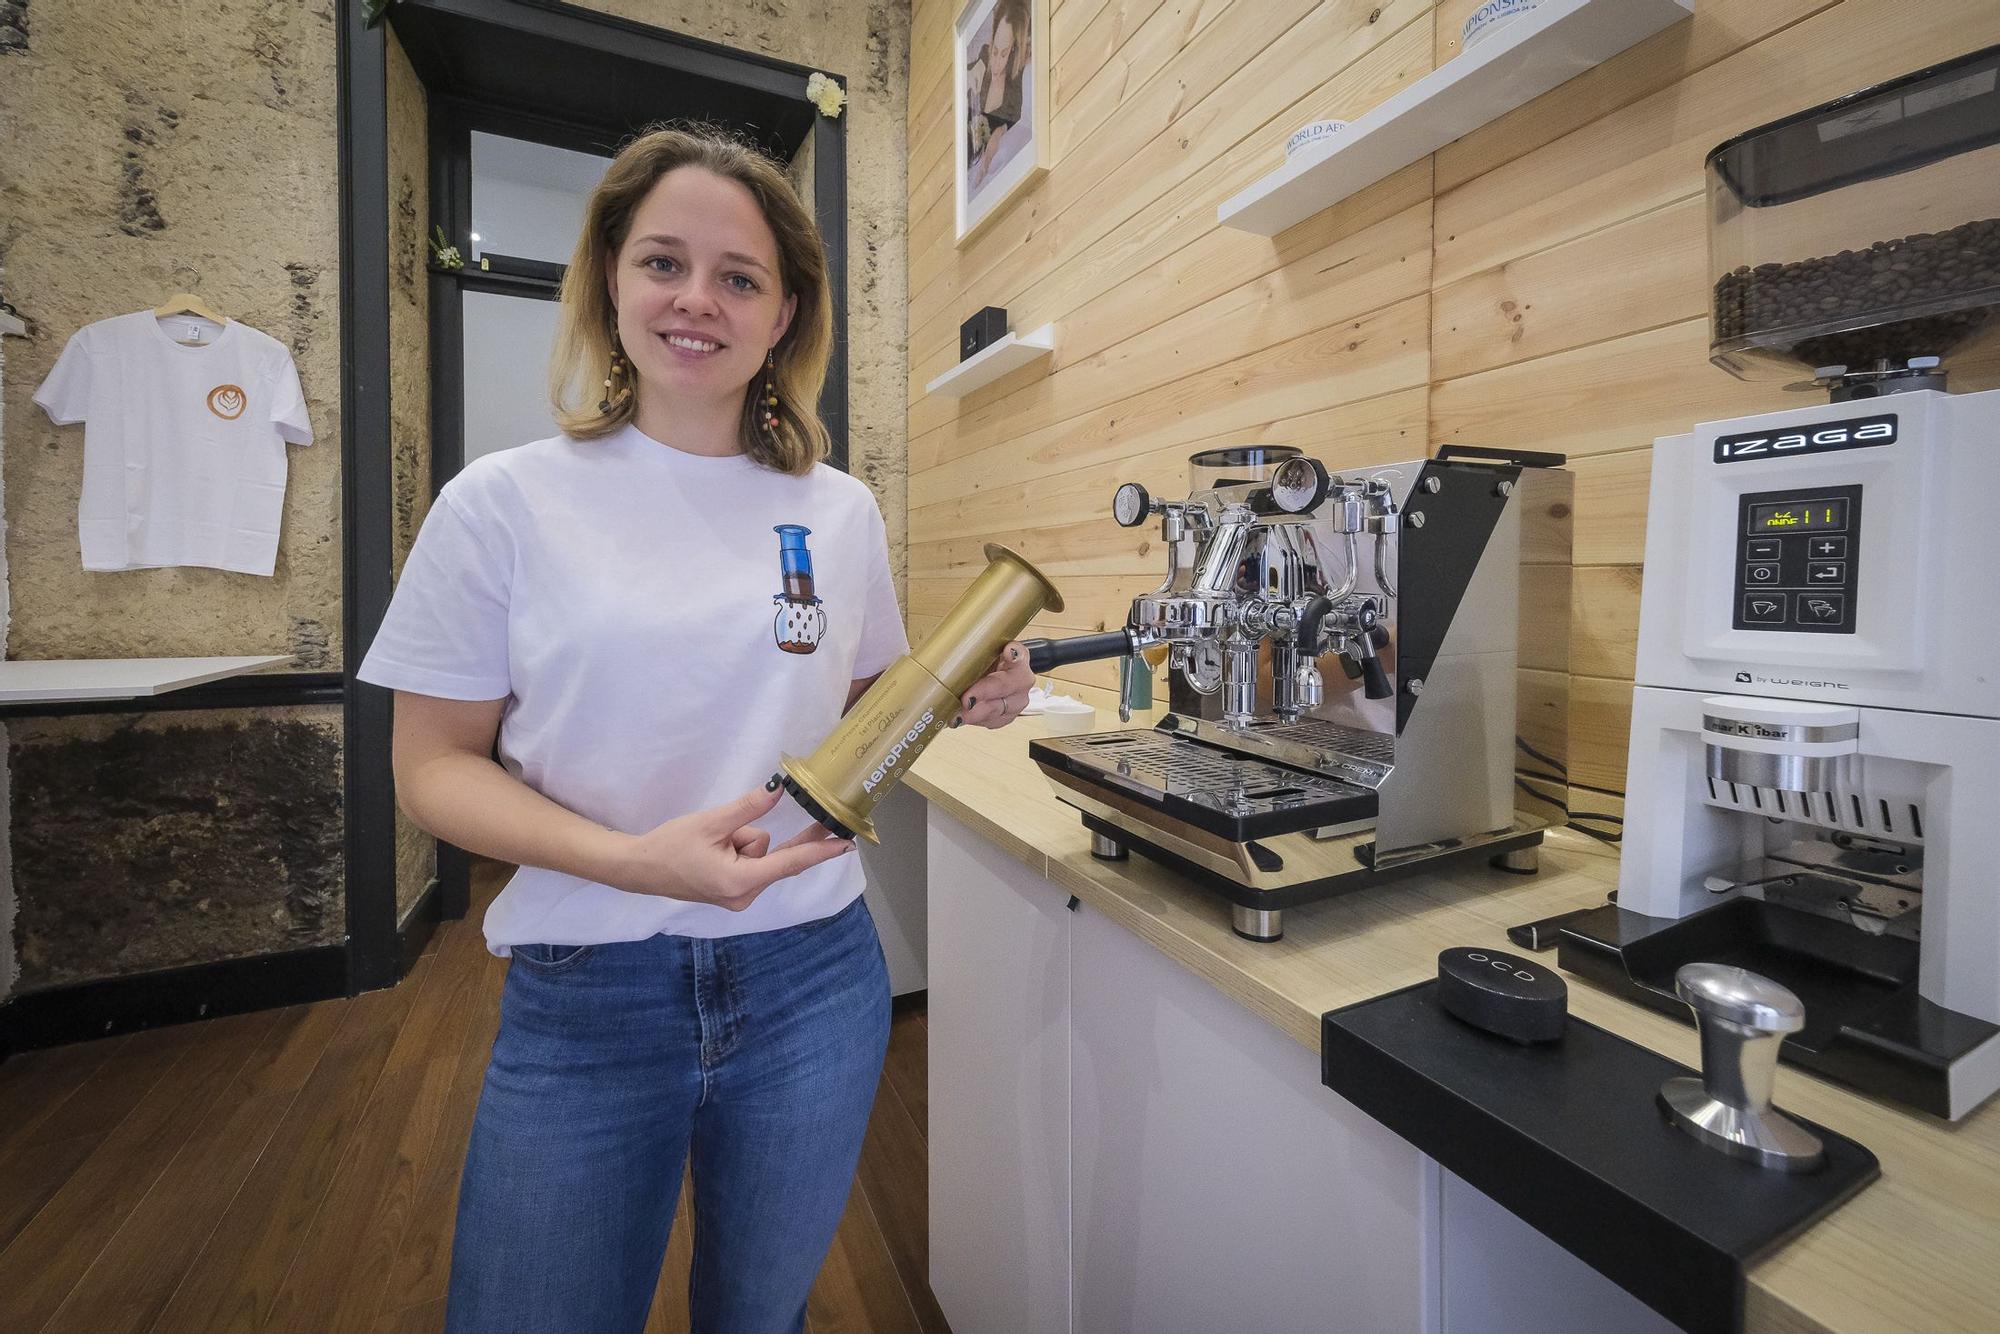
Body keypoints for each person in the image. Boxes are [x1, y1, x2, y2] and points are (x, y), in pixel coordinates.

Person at [357, 123, 1034, 1333]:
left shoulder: (837, 512)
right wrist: (633, 861)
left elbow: (876, 701)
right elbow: (431, 768)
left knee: (759, 1315)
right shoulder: (503, 504)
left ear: (783, 316)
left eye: (740, 277)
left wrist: (968, 686)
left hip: (813, 976)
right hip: (587, 984)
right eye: (663, 262)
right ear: (610, 277)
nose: (697, 300)